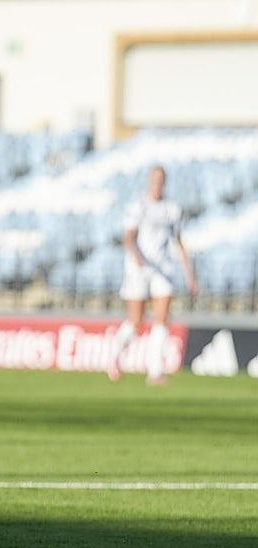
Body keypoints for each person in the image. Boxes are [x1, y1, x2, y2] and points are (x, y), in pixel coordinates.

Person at [106, 164, 199, 385]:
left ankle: (155, 370)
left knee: (162, 319)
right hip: (138, 269)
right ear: (149, 181)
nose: (157, 183)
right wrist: (138, 257)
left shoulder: (172, 209)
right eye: (154, 179)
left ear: (164, 182)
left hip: (162, 269)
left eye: (161, 179)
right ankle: (115, 355)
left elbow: (179, 242)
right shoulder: (139, 206)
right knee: (136, 320)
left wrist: (190, 275)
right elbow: (128, 237)